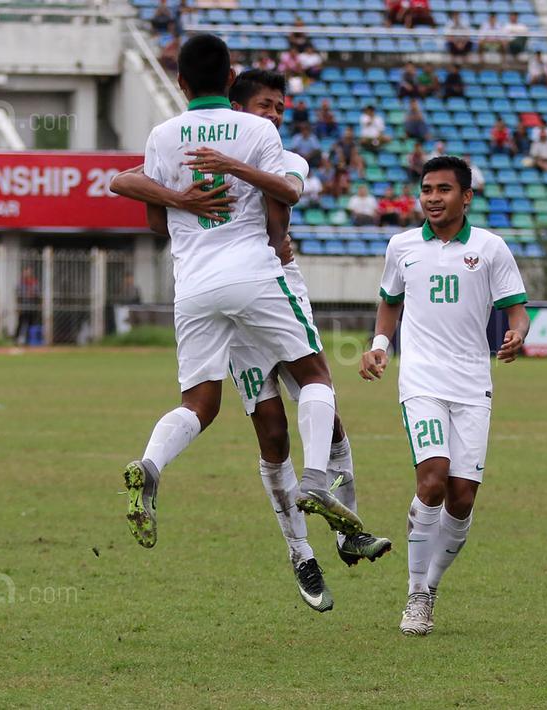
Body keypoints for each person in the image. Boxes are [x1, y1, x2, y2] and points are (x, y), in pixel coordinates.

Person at [112, 41, 378, 613]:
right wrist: (234, 175)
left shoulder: (162, 137)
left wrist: (181, 198)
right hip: (258, 281)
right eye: (268, 102)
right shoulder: (260, 137)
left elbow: (154, 220)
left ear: (180, 81)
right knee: (315, 385)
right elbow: (284, 204)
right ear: (232, 82)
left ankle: (151, 465)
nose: (276, 113)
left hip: (196, 290)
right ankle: (310, 507)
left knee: (199, 404)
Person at [360, 155, 529, 636]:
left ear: (466, 196)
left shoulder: (492, 249)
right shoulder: (402, 246)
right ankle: (415, 594)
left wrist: (518, 334)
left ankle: (431, 584)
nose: (433, 198)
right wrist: (378, 346)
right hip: (422, 382)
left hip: (473, 385)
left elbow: (516, 310)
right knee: (432, 480)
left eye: (444, 190)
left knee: (462, 497)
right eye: (427, 189)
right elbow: (390, 303)